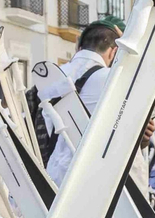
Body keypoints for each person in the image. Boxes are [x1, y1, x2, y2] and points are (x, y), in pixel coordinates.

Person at [41, 19, 122, 184]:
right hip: (89, 178)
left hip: (52, 172)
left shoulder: (52, 76)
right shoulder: (111, 78)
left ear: (79, 46)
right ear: (114, 53)